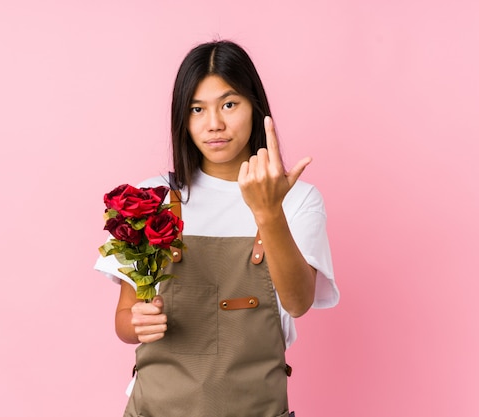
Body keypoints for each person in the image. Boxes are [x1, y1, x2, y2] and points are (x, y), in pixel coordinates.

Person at [95, 40, 339, 417]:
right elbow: (125, 318)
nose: (214, 124)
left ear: (255, 107)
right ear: (182, 117)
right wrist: (137, 322)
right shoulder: (149, 199)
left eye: (229, 104)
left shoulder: (297, 199)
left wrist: (268, 210)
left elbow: (297, 302)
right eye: (197, 109)